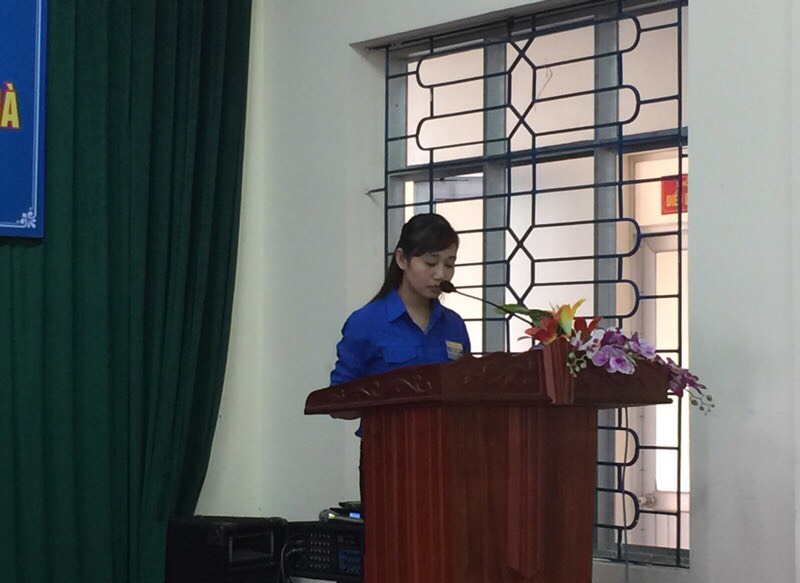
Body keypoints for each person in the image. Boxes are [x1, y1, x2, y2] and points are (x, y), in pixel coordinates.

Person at [330, 213, 471, 387]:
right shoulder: (366, 322)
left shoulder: (454, 325)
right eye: (431, 263)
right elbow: (339, 395)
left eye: (449, 265)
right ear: (402, 259)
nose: (441, 274)